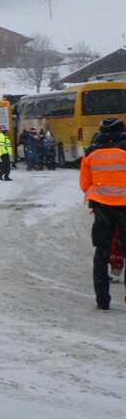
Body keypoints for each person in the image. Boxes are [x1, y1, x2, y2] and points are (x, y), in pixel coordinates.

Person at [79, 115, 126, 310]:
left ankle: (102, 300)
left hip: (102, 210)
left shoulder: (91, 152)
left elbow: (85, 184)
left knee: (101, 254)